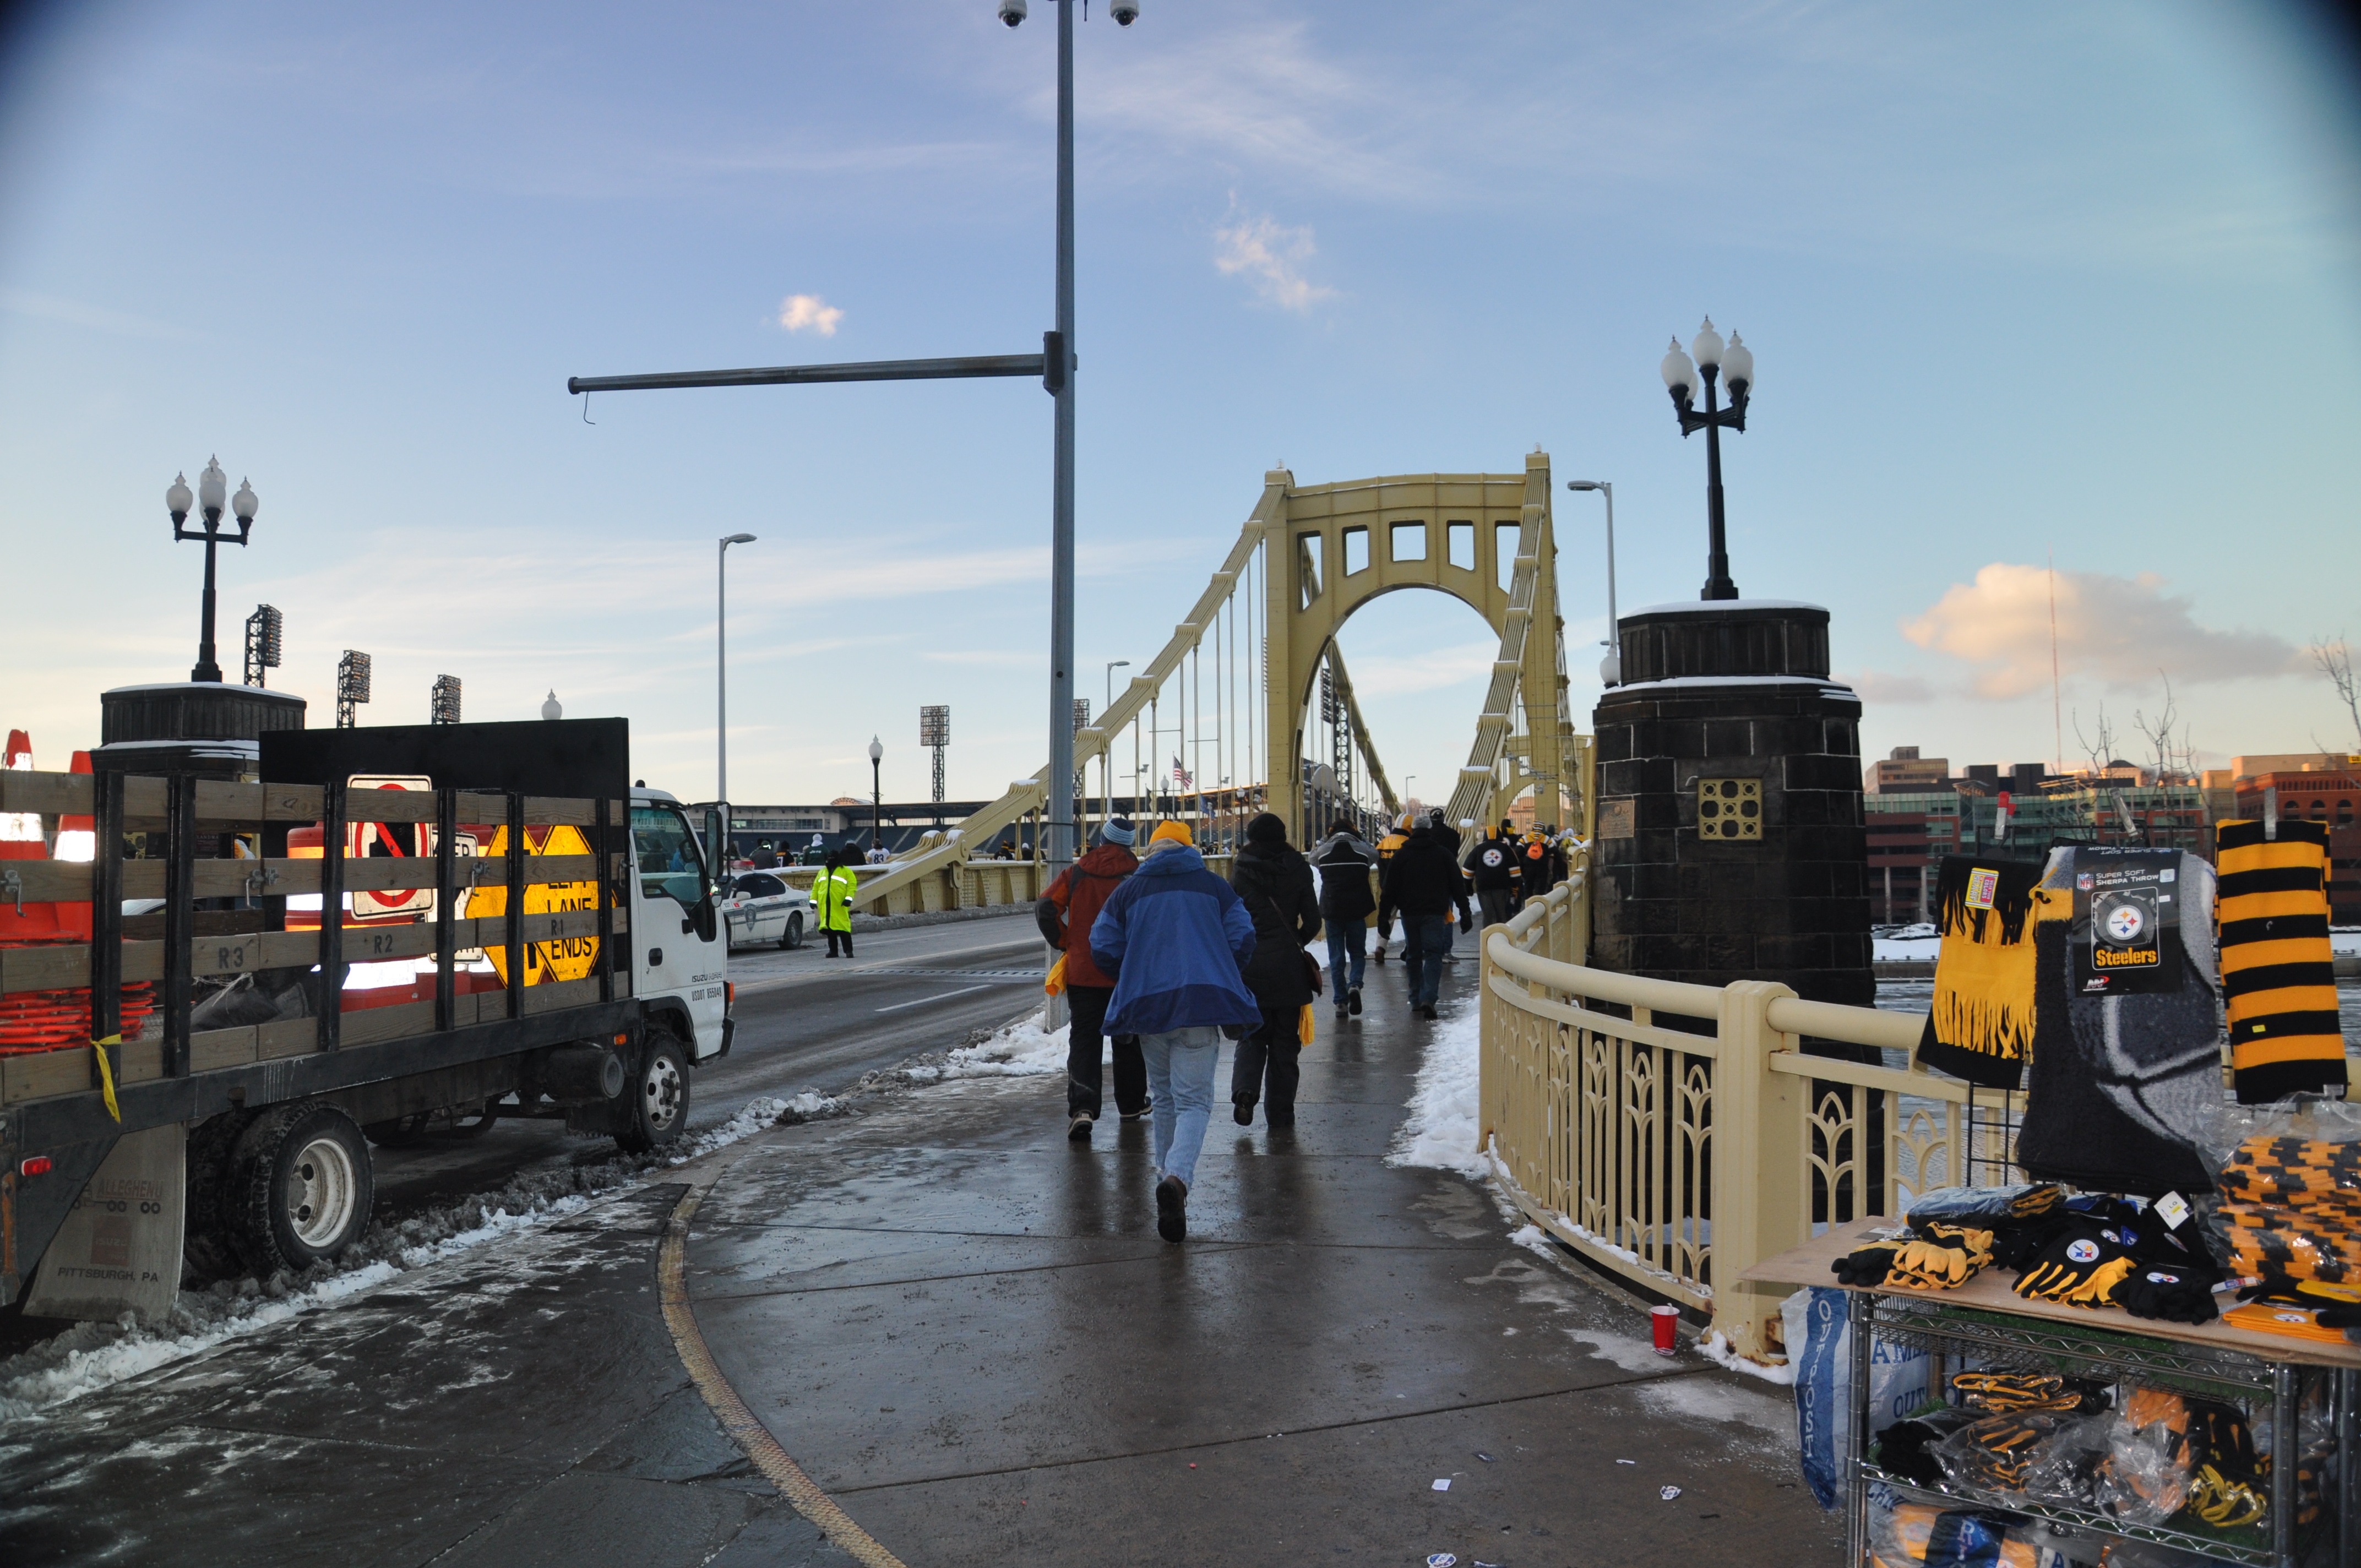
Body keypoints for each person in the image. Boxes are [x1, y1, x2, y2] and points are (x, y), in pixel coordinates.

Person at [1089, 820, 1260, 1243]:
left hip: (1149, 1008)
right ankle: (1177, 1179)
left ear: (1152, 851)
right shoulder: (1215, 887)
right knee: (1194, 1102)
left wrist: (1134, 973)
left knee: (1164, 1098)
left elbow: (1102, 945)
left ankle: (1166, 1179)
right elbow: (1244, 936)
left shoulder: (1128, 891)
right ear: (1188, 849)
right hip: (1201, 1004)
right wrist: (1219, 969)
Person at [1036, 817, 1146, 1140]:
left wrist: (1065, 941)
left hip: (1084, 971)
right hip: (1125, 971)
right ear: (1129, 843)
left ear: (1102, 840)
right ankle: (1131, 1105)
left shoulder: (1077, 873)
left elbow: (1045, 907)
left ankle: (1082, 1109)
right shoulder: (1138, 876)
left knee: (1085, 1040)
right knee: (1128, 1040)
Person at [1228, 812, 1321, 1129]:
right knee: (1285, 1045)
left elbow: (1231, 920)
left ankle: (1245, 1092)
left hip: (1251, 966)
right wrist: (1294, 942)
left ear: (1251, 838)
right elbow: (1313, 921)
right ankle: (1281, 1116)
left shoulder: (1240, 870)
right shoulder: (1298, 868)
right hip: (1289, 970)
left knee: (1252, 1035)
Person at [1379, 816, 1472, 1020]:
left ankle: (1415, 999)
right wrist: (1465, 912)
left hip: (1409, 912)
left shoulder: (1402, 855)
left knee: (1413, 954)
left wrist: (1383, 917)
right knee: (1433, 954)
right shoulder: (1443, 854)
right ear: (1430, 831)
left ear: (1412, 831)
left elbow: (1389, 889)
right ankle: (1429, 997)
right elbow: (1457, 884)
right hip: (1434, 912)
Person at [1309, 815, 1377, 1019]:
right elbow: (1375, 855)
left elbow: (1312, 858)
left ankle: (1340, 1002)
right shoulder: (1362, 849)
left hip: (1333, 909)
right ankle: (1354, 984)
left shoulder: (1324, 851)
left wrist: (1324, 841)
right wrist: (1362, 839)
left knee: (1336, 956)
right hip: (1357, 909)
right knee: (1357, 953)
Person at [1370, 810, 1412, 964]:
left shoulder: (1383, 842)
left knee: (1386, 919)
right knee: (1408, 919)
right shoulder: (1407, 843)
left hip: (1387, 888)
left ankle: (1380, 947)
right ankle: (1410, 947)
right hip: (1405, 889)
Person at [1465, 820, 1520, 929]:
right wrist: (1515, 888)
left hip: (1483, 887)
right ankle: (1501, 935)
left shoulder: (1478, 849)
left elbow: (1467, 871)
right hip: (1502, 887)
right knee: (1501, 914)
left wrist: (1468, 887)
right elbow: (1515, 871)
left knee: (1488, 915)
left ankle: (1488, 935)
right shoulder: (1506, 849)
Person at [812, 849, 858, 957]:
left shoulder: (846, 871)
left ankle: (848, 951)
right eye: (829, 857)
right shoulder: (822, 872)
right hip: (826, 905)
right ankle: (833, 951)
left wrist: (848, 899)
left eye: (832, 857)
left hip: (840, 904)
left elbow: (852, 886)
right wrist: (813, 900)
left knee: (843, 929)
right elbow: (816, 887)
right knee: (830, 930)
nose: (830, 859)